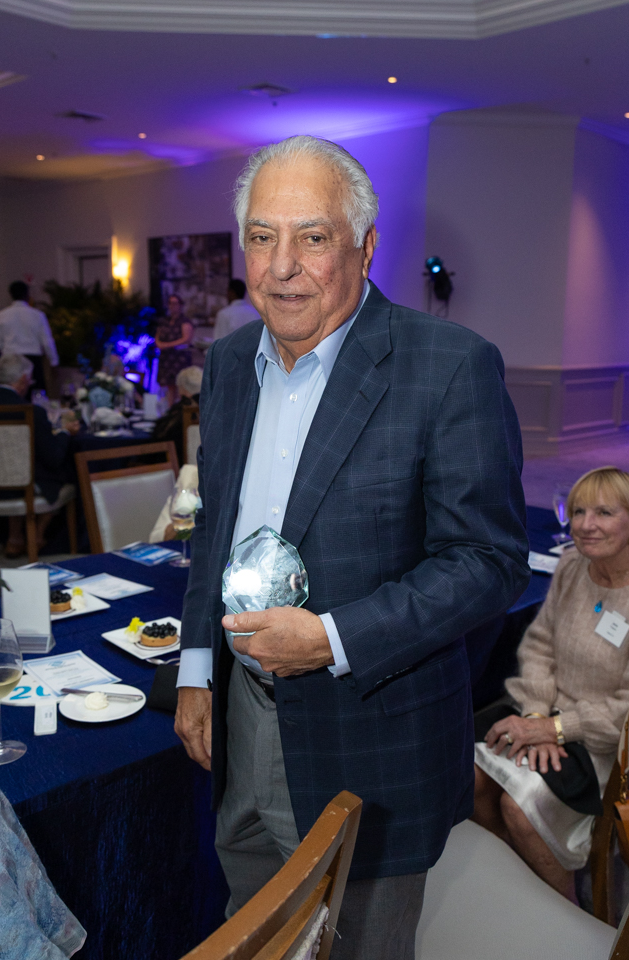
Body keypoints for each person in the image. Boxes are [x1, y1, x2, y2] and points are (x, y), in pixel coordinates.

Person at [175, 135, 530, 960]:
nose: (282, 267)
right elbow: (214, 529)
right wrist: (196, 669)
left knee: (360, 947)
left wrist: (332, 639)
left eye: (313, 237)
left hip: (370, 742)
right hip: (240, 719)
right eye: (262, 237)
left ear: (365, 247)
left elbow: (488, 563)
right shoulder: (228, 363)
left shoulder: (449, 365)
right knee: (255, 932)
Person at [474, 466, 629, 904]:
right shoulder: (574, 566)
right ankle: (517, 886)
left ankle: (564, 911)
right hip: (546, 713)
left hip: (609, 744)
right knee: (471, 778)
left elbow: (625, 711)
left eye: (604, 513)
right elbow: (540, 646)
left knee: (519, 806)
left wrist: (555, 730)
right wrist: (536, 715)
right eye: (578, 512)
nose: (586, 524)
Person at [0, 353, 79, 557]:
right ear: (23, 379)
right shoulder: (32, 412)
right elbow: (53, 457)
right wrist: (64, 432)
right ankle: (37, 536)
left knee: (20, 468)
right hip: (23, 486)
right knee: (61, 472)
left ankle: (14, 539)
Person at [0, 281, 59, 396]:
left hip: (9, 361)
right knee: (35, 397)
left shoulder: (1, 315)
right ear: (27, 294)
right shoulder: (37, 315)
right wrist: (54, 362)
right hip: (32, 361)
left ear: (11, 295)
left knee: (8, 397)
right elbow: (47, 341)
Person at [152, 365, 202, 463]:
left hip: (175, 463)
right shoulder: (212, 407)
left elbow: (160, 436)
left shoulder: (183, 408)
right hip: (204, 465)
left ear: (182, 388)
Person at [155, 294, 193, 406]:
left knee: (180, 386)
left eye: (175, 303)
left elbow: (186, 339)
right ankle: (169, 410)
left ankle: (180, 412)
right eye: (170, 303)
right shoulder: (164, 321)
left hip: (179, 359)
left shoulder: (184, 321)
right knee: (168, 387)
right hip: (166, 359)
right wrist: (161, 345)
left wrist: (168, 345)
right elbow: (157, 338)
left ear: (180, 305)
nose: (173, 306)